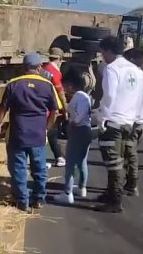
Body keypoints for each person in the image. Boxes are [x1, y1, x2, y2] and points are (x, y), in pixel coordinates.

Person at [0, 52, 65, 213]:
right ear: (39, 67)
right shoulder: (47, 85)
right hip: (37, 135)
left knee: (18, 168)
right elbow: (55, 112)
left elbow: (2, 109)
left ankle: (22, 201)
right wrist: (46, 128)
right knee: (39, 169)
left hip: (17, 134)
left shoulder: (13, 84)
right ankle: (39, 199)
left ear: (24, 67)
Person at [92, 36, 143, 213]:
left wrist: (102, 118)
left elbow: (109, 96)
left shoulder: (112, 69)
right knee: (120, 159)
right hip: (129, 122)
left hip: (113, 120)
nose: (102, 56)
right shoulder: (137, 72)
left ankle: (115, 200)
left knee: (113, 161)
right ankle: (110, 192)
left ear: (109, 51)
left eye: (103, 52)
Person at [52, 72, 94, 204]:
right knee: (82, 161)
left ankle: (67, 192)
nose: (64, 89)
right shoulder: (85, 96)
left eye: (65, 86)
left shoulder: (79, 97)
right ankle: (82, 187)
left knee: (70, 163)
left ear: (71, 86)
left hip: (78, 131)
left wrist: (72, 123)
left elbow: (79, 115)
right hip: (85, 130)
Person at [41, 47, 68, 168]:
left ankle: (56, 156)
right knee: (52, 132)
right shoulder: (55, 72)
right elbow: (60, 91)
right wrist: (65, 108)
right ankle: (59, 157)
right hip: (51, 107)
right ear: (60, 59)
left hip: (42, 105)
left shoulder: (42, 69)